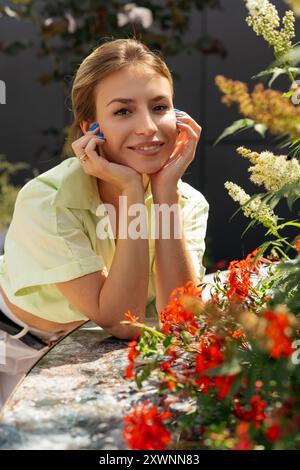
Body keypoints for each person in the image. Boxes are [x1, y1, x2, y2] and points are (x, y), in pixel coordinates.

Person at [0, 38, 209, 409]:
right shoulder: (49, 200)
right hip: (12, 348)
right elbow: (123, 322)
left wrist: (163, 194)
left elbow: (181, 321)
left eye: (159, 107)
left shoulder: (184, 201)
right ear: (91, 128)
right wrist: (130, 189)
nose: (148, 127)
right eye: (123, 112)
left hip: (86, 351)